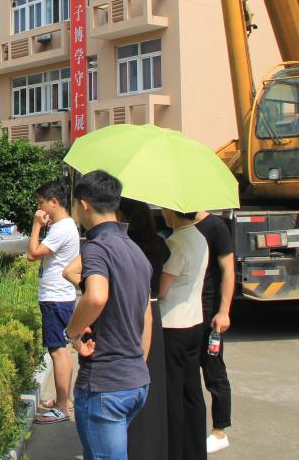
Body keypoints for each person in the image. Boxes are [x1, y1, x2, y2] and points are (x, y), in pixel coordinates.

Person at [62, 171, 152, 460]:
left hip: (105, 384)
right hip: (135, 381)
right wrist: (136, 366)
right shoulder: (136, 251)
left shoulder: (97, 249)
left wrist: (72, 333)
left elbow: (96, 296)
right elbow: (147, 317)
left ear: (84, 204)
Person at [27, 179, 80, 425]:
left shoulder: (61, 228)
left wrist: (36, 225)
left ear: (54, 202)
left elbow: (32, 254)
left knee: (57, 350)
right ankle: (64, 400)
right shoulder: (64, 226)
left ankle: (61, 408)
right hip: (61, 296)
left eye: (41, 203)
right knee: (63, 350)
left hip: (55, 297)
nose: (39, 208)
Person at [121, 199, 169, 460]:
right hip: (154, 310)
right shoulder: (159, 245)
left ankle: (132, 447)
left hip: (132, 311)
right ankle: (154, 449)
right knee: (153, 383)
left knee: (131, 378)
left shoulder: (126, 246)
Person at [159, 209, 209, 460]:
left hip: (173, 324)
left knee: (173, 393)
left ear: (172, 211)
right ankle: (196, 451)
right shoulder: (200, 237)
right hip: (195, 321)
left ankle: (175, 451)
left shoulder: (175, 242)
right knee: (192, 392)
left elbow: (162, 289)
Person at [194, 211, 235, 455]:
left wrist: (223, 311)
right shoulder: (181, 225)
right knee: (187, 373)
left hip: (210, 312)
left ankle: (220, 431)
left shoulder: (216, 227)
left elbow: (228, 270)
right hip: (187, 311)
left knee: (214, 371)